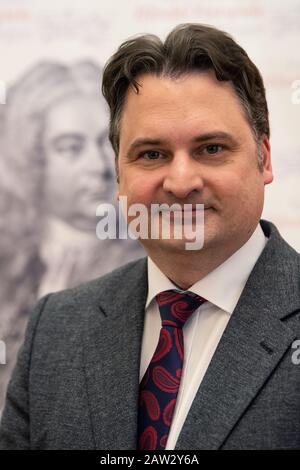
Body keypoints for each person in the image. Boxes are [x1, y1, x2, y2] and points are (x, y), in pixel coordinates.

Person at [0, 23, 299, 450]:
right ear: (119, 174)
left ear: (263, 158)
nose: (180, 181)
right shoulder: (56, 328)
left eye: (211, 148)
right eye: (152, 154)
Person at [0, 61, 144, 418]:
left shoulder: (150, 259)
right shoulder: (7, 259)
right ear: (32, 158)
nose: (98, 164)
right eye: (71, 147)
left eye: (106, 143)